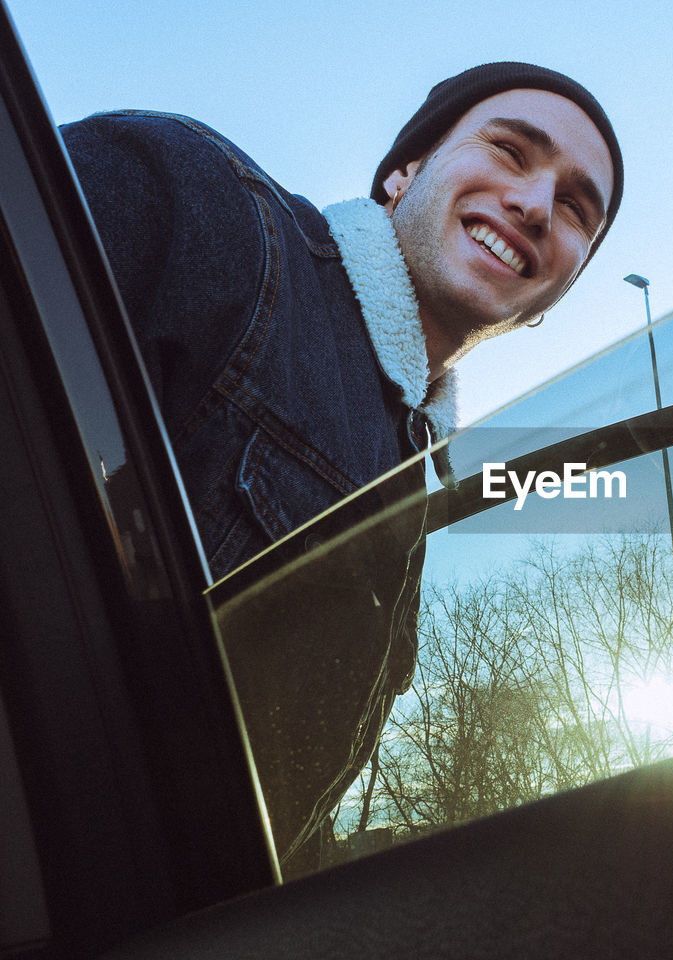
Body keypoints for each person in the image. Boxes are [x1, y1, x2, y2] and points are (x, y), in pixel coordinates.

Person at [62, 62, 623, 870]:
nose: (536, 206)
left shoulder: (414, 486)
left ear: (558, 292)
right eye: (508, 151)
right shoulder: (200, 199)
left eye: (575, 208)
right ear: (406, 172)